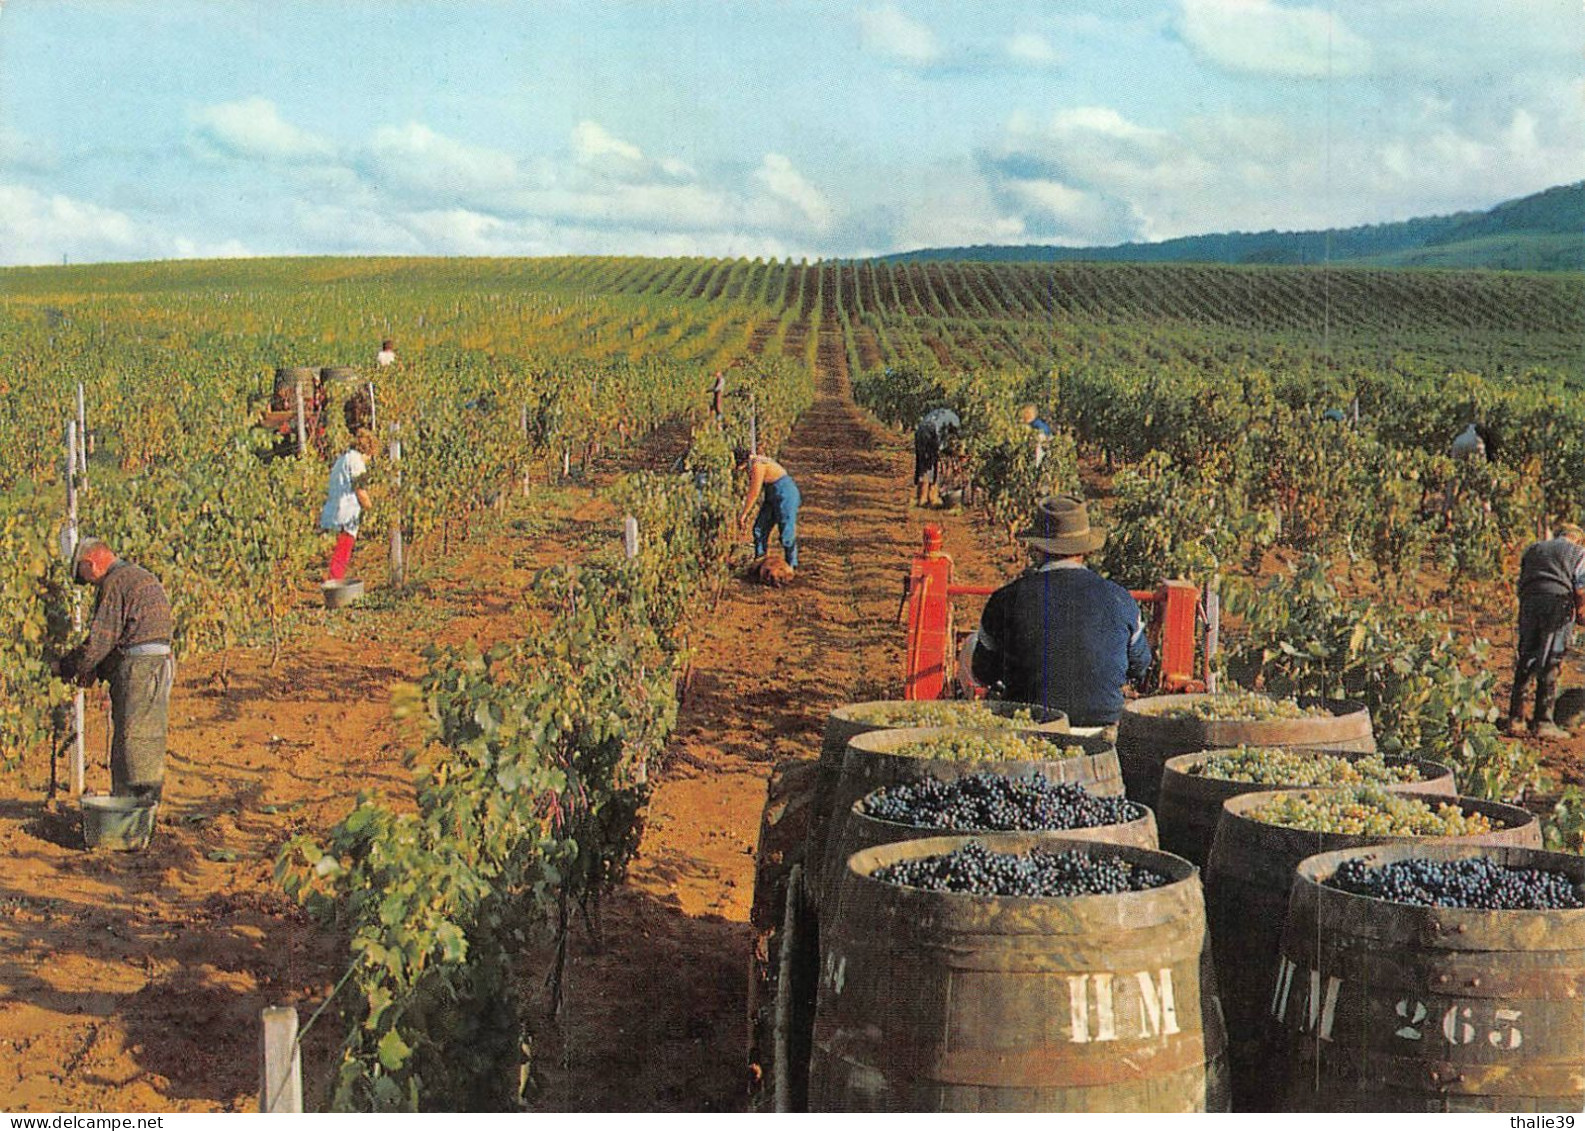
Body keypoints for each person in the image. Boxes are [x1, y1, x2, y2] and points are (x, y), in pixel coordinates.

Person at [971, 495, 1151, 727]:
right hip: (1102, 728)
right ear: (1086, 549)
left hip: (1032, 731)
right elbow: (1139, 664)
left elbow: (983, 672)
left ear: (1037, 548)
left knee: (974, 644)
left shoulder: (1005, 599)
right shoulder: (1120, 598)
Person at [54, 537, 174, 800]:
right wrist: (97, 670)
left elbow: (100, 641)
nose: (89, 584)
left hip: (139, 668)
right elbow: (123, 636)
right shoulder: (138, 575)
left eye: (84, 576)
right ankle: (143, 809)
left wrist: (68, 667)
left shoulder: (114, 582)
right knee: (147, 736)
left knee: (131, 741)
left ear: (91, 562)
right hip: (160, 664)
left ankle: (129, 813)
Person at [1506, 523, 1585, 739]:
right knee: (1551, 658)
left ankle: (1516, 718)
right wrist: (1580, 612)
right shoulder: (1579, 552)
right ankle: (1543, 722)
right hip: (1557, 602)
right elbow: (1580, 586)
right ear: (1577, 539)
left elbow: (1522, 579)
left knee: (1527, 658)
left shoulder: (1534, 548)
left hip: (1529, 602)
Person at [735, 447, 800, 574]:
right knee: (759, 528)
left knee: (786, 531)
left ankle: (791, 565)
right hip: (772, 493)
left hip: (785, 493)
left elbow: (754, 493)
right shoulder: (755, 462)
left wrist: (743, 515)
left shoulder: (757, 465)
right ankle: (760, 562)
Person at [321, 430, 374, 582]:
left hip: (334, 510)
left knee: (336, 552)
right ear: (367, 451)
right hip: (346, 513)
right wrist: (372, 509)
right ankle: (334, 586)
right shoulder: (357, 462)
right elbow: (361, 491)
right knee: (341, 553)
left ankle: (333, 582)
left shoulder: (342, 459)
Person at [914, 406, 961, 507]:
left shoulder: (940, 413)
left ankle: (923, 498)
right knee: (931, 466)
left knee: (923, 465)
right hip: (930, 433)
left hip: (920, 432)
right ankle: (929, 498)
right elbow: (946, 437)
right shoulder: (954, 419)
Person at [1018, 403, 1054, 468]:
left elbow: (1044, 434)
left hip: (1043, 444)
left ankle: (1037, 465)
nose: (1024, 416)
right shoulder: (1031, 424)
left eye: (1026, 414)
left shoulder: (1037, 424)